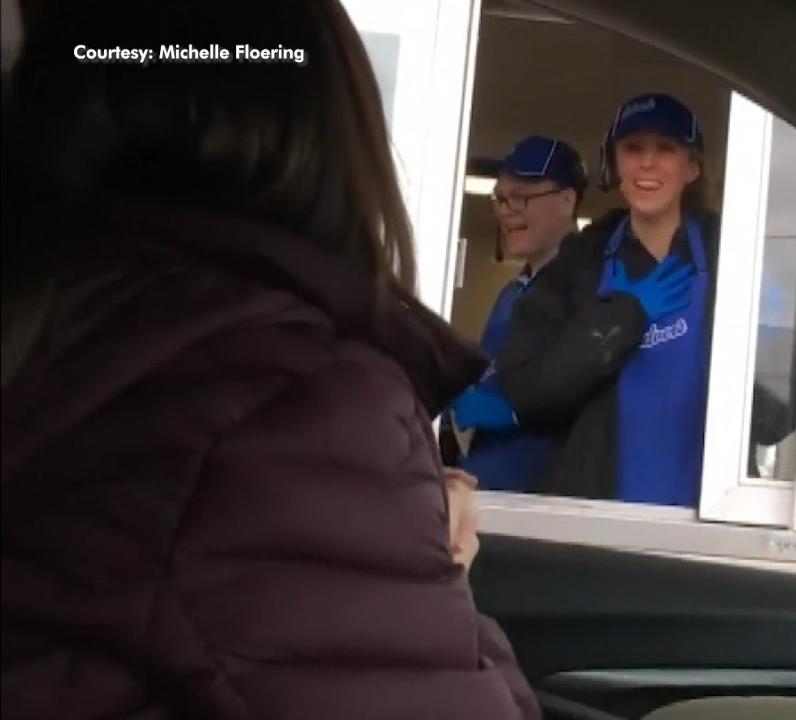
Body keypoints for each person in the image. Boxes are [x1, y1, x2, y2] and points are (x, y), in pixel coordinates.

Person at [0, 1, 537, 718]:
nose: (511, 208)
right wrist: (449, 580)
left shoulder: (54, 331)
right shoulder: (292, 407)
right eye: (504, 194)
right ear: (330, 133)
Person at [494, 93, 723, 506]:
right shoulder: (578, 264)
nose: (647, 163)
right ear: (614, 163)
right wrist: (620, 318)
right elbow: (527, 397)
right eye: (633, 148)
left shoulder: (731, 255)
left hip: (705, 522)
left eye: (666, 149)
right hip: (595, 521)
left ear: (691, 167)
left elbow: (777, 410)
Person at [449, 136, 587, 492]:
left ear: (567, 200)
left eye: (521, 197)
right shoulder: (512, 292)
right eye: (500, 198)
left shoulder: (594, 287)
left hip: (540, 507)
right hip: (485, 492)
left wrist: (512, 411)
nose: (505, 209)